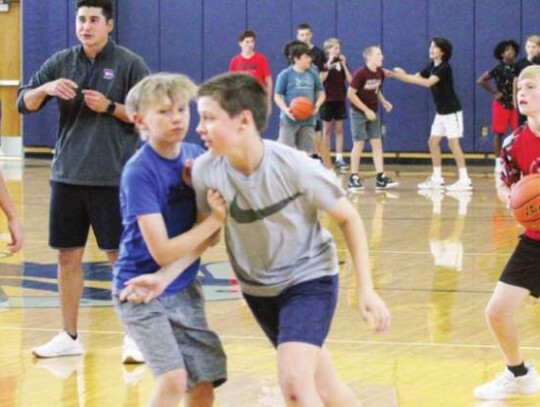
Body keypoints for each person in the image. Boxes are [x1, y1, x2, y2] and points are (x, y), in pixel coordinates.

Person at [126, 72, 391, 407]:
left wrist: (366, 289)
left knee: (295, 385)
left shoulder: (294, 165)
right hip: (258, 290)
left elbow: (348, 218)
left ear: (243, 121)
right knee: (324, 386)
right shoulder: (207, 172)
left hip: (309, 280)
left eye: (208, 118)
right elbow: (205, 238)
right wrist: (163, 279)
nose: (199, 127)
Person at [17, 0, 150, 362]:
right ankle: (69, 335)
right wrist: (45, 90)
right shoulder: (62, 62)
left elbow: (148, 116)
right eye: (81, 19)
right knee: (66, 256)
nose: (86, 26)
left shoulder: (129, 64)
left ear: (109, 25)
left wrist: (109, 107)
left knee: (118, 258)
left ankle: (135, 337)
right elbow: (22, 102)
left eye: (94, 20)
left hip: (112, 177)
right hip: (67, 176)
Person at [114, 73, 227, 407]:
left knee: (203, 384)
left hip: (184, 286)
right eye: (164, 112)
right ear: (139, 120)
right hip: (139, 289)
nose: (177, 117)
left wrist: (205, 204)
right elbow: (162, 252)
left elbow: (212, 238)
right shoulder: (139, 172)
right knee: (174, 379)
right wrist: (215, 220)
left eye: (181, 109)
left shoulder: (197, 157)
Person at [474, 65, 540, 401]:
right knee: (497, 312)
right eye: (518, 90)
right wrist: (515, 199)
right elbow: (504, 186)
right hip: (535, 242)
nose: (521, 94)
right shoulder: (513, 142)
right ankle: (519, 374)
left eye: (529, 87)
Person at [388, 37, 473, 191]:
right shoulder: (432, 66)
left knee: (453, 144)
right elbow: (416, 78)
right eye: (431, 46)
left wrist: (398, 76)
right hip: (441, 112)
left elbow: (427, 83)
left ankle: (465, 179)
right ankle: (437, 178)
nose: (431, 49)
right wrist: (400, 75)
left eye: (435, 47)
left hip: (452, 111)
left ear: (442, 52)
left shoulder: (444, 67)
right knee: (432, 142)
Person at [347, 46, 397, 191]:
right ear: (369, 57)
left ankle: (380, 177)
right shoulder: (360, 73)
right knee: (359, 144)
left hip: (372, 112)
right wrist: (365, 110)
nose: (382, 56)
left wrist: (383, 101)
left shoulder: (380, 73)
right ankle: (353, 177)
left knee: (377, 142)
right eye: (378, 54)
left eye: (381, 54)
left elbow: (376, 90)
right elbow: (350, 94)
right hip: (358, 112)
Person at [274, 42, 325, 154]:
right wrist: (285, 110)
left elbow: (321, 93)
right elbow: (277, 96)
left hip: (308, 120)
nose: (310, 59)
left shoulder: (313, 74)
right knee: (286, 154)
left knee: (306, 156)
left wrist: (317, 106)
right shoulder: (285, 74)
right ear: (296, 59)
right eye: (306, 57)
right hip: (289, 119)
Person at [477, 40, 520, 172]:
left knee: (518, 133)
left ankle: (516, 160)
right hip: (501, 104)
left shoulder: (519, 67)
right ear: (501, 54)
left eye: (512, 49)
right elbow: (481, 80)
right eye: (507, 50)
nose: (510, 51)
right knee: (499, 133)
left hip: (515, 104)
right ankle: (498, 162)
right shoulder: (498, 68)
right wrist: (494, 92)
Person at [296, 23, 333, 168]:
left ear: (311, 35)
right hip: (297, 98)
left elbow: (324, 73)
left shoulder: (318, 53)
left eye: (306, 34)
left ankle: (329, 170)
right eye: (301, 35)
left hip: (312, 97)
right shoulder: (293, 53)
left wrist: (314, 84)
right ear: (298, 37)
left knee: (316, 135)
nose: (304, 37)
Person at [320, 38, 352, 171]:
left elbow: (351, 80)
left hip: (339, 98)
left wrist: (344, 65)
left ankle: (339, 157)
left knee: (339, 129)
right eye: (334, 48)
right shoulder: (323, 63)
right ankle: (325, 158)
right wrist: (328, 63)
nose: (337, 51)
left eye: (338, 48)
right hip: (326, 99)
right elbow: (322, 79)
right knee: (326, 129)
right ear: (328, 50)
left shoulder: (341, 62)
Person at [229, 29, 273, 117]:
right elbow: (231, 83)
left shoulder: (261, 59)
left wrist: (268, 102)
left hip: (257, 98)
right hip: (241, 99)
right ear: (240, 43)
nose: (250, 45)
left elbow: (268, 81)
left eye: (252, 42)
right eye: (247, 42)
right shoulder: (235, 61)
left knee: (255, 127)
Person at [513, 35, 540, 126]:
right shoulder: (519, 64)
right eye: (528, 47)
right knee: (522, 124)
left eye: (533, 47)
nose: (530, 49)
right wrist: (514, 99)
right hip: (525, 99)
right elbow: (515, 82)